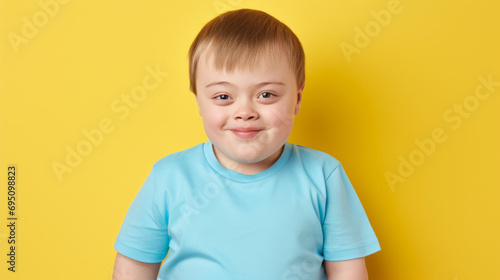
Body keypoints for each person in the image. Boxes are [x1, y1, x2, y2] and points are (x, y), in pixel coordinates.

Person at [112, 8, 381, 280]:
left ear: (297, 99)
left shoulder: (323, 175)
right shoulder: (170, 176)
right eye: (223, 96)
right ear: (199, 102)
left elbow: (347, 270)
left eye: (266, 94)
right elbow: (134, 265)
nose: (245, 112)